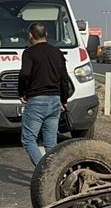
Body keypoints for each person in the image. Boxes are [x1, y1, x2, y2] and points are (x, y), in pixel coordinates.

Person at [18, 22, 72, 165]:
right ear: (46, 34)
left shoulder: (29, 53)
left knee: (29, 139)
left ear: (30, 35)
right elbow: (64, 78)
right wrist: (64, 99)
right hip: (55, 100)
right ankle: (54, 173)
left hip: (37, 100)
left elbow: (24, 74)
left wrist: (22, 92)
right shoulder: (57, 52)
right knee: (51, 142)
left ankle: (43, 171)